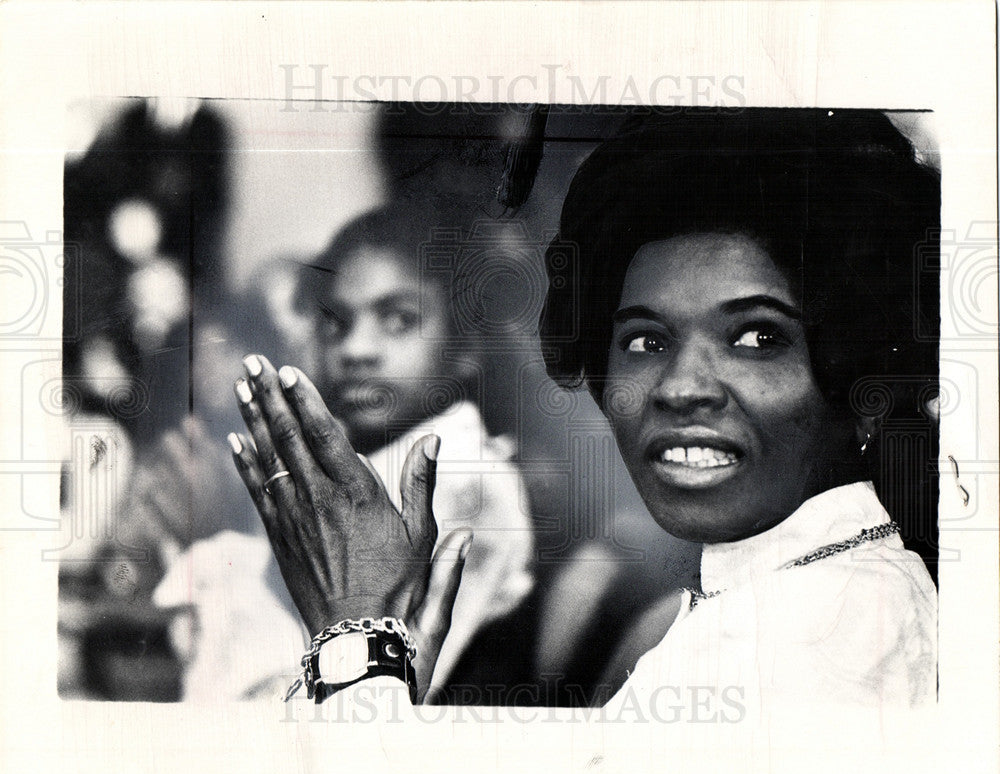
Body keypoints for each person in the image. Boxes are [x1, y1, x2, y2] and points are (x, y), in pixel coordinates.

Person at [228, 109, 939, 713]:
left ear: (864, 382)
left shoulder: (816, 628)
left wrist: (357, 642)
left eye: (757, 337)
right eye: (646, 339)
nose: (681, 387)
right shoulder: (776, 595)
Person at [157, 201, 535, 700]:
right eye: (337, 323)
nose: (356, 349)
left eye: (398, 320)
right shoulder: (364, 462)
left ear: (466, 345)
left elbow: (375, 692)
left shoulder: (466, 478)